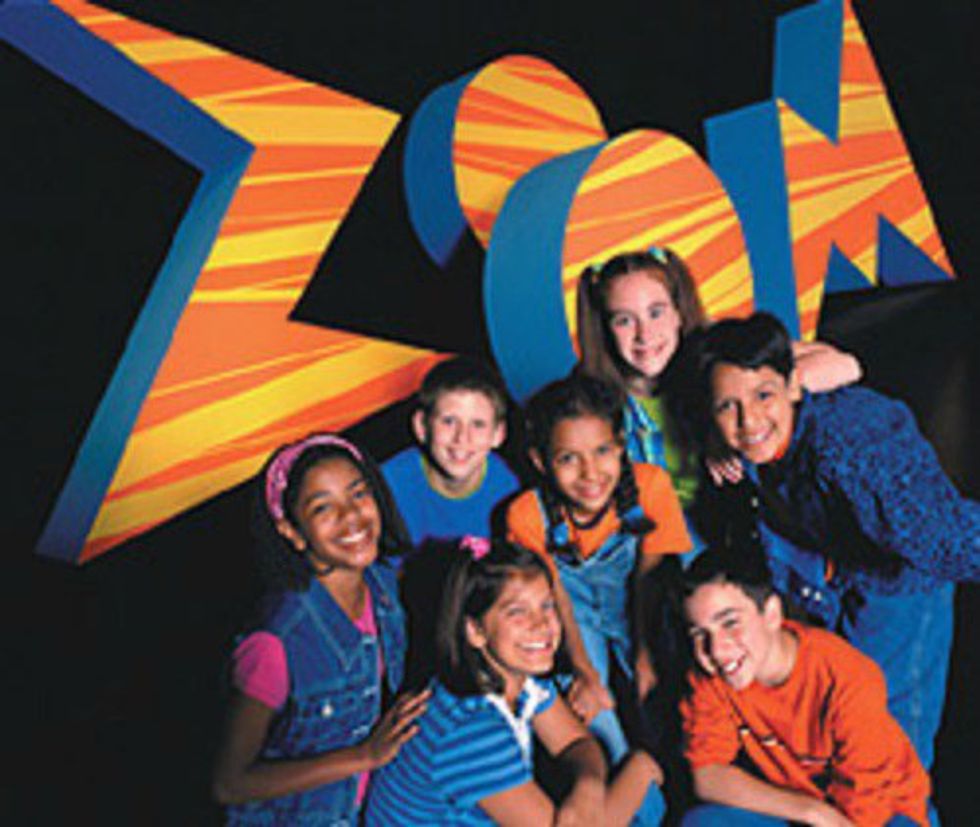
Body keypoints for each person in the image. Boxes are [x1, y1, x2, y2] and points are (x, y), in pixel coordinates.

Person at [695, 312, 980, 771]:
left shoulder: (849, 446)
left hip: (900, 590)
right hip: (836, 585)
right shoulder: (757, 435)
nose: (749, 419)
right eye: (728, 406)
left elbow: (945, 537)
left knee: (889, 752)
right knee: (842, 735)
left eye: (763, 396)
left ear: (795, 386)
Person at [575, 248, 862, 550]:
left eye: (656, 312)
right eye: (624, 320)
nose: (644, 334)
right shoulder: (591, 399)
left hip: (730, 525)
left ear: (679, 312)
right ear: (604, 328)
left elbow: (846, 366)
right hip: (644, 540)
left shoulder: (716, 356)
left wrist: (738, 408)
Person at [365, 539, 663, 825]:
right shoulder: (471, 729)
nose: (542, 624)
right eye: (517, 612)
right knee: (639, 797)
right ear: (476, 631)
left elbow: (575, 742)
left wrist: (588, 786)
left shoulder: (518, 679)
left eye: (547, 605)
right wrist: (639, 770)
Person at [212, 433, 429, 825]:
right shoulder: (275, 641)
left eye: (358, 493)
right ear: (292, 532)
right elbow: (231, 782)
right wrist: (364, 755)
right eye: (322, 507)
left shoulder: (383, 587)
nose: (351, 516)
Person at [507, 374, 691, 825]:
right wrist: (585, 672)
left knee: (661, 697)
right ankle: (640, 813)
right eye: (568, 458)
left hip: (635, 601)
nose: (590, 473)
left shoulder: (650, 486)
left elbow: (648, 577)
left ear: (622, 446)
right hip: (570, 611)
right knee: (597, 712)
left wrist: (644, 656)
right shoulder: (526, 514)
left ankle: (683, 796)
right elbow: (554, 599)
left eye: (603, 451)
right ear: (541, 461)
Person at [679, 549, 930, 827]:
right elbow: (708, 774)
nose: (716, 649)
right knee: (703, 822)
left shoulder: (846, 677)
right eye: (699, 633)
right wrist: (811, 812)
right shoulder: (716, 673)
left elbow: (867, 805)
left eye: (730, 623)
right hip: (808, 808)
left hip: (881, 813)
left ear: (771, 614)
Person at [381, 356, 520, 553]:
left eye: (478, 424)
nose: (462, 438)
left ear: (498, 434)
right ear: (422, 426)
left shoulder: (509, 491)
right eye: (449, 421)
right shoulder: (388, 485)